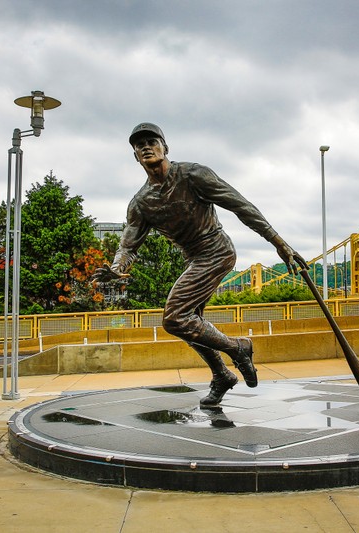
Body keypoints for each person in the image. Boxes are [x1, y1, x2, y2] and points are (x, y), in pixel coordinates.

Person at [94, 123, 303, 407]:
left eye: (152, 141)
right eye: (139, 144)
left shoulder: (193, 175)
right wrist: (117, 268)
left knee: (174, 317)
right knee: (190, 325)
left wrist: (280, 243)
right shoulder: (141, 203)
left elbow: (241, 206)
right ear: (135, 156)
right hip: (193, 259)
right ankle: (222, 375)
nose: (145, 147)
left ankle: (239, 349)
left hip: (217, 251)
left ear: (165, 148)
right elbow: (128, 246)